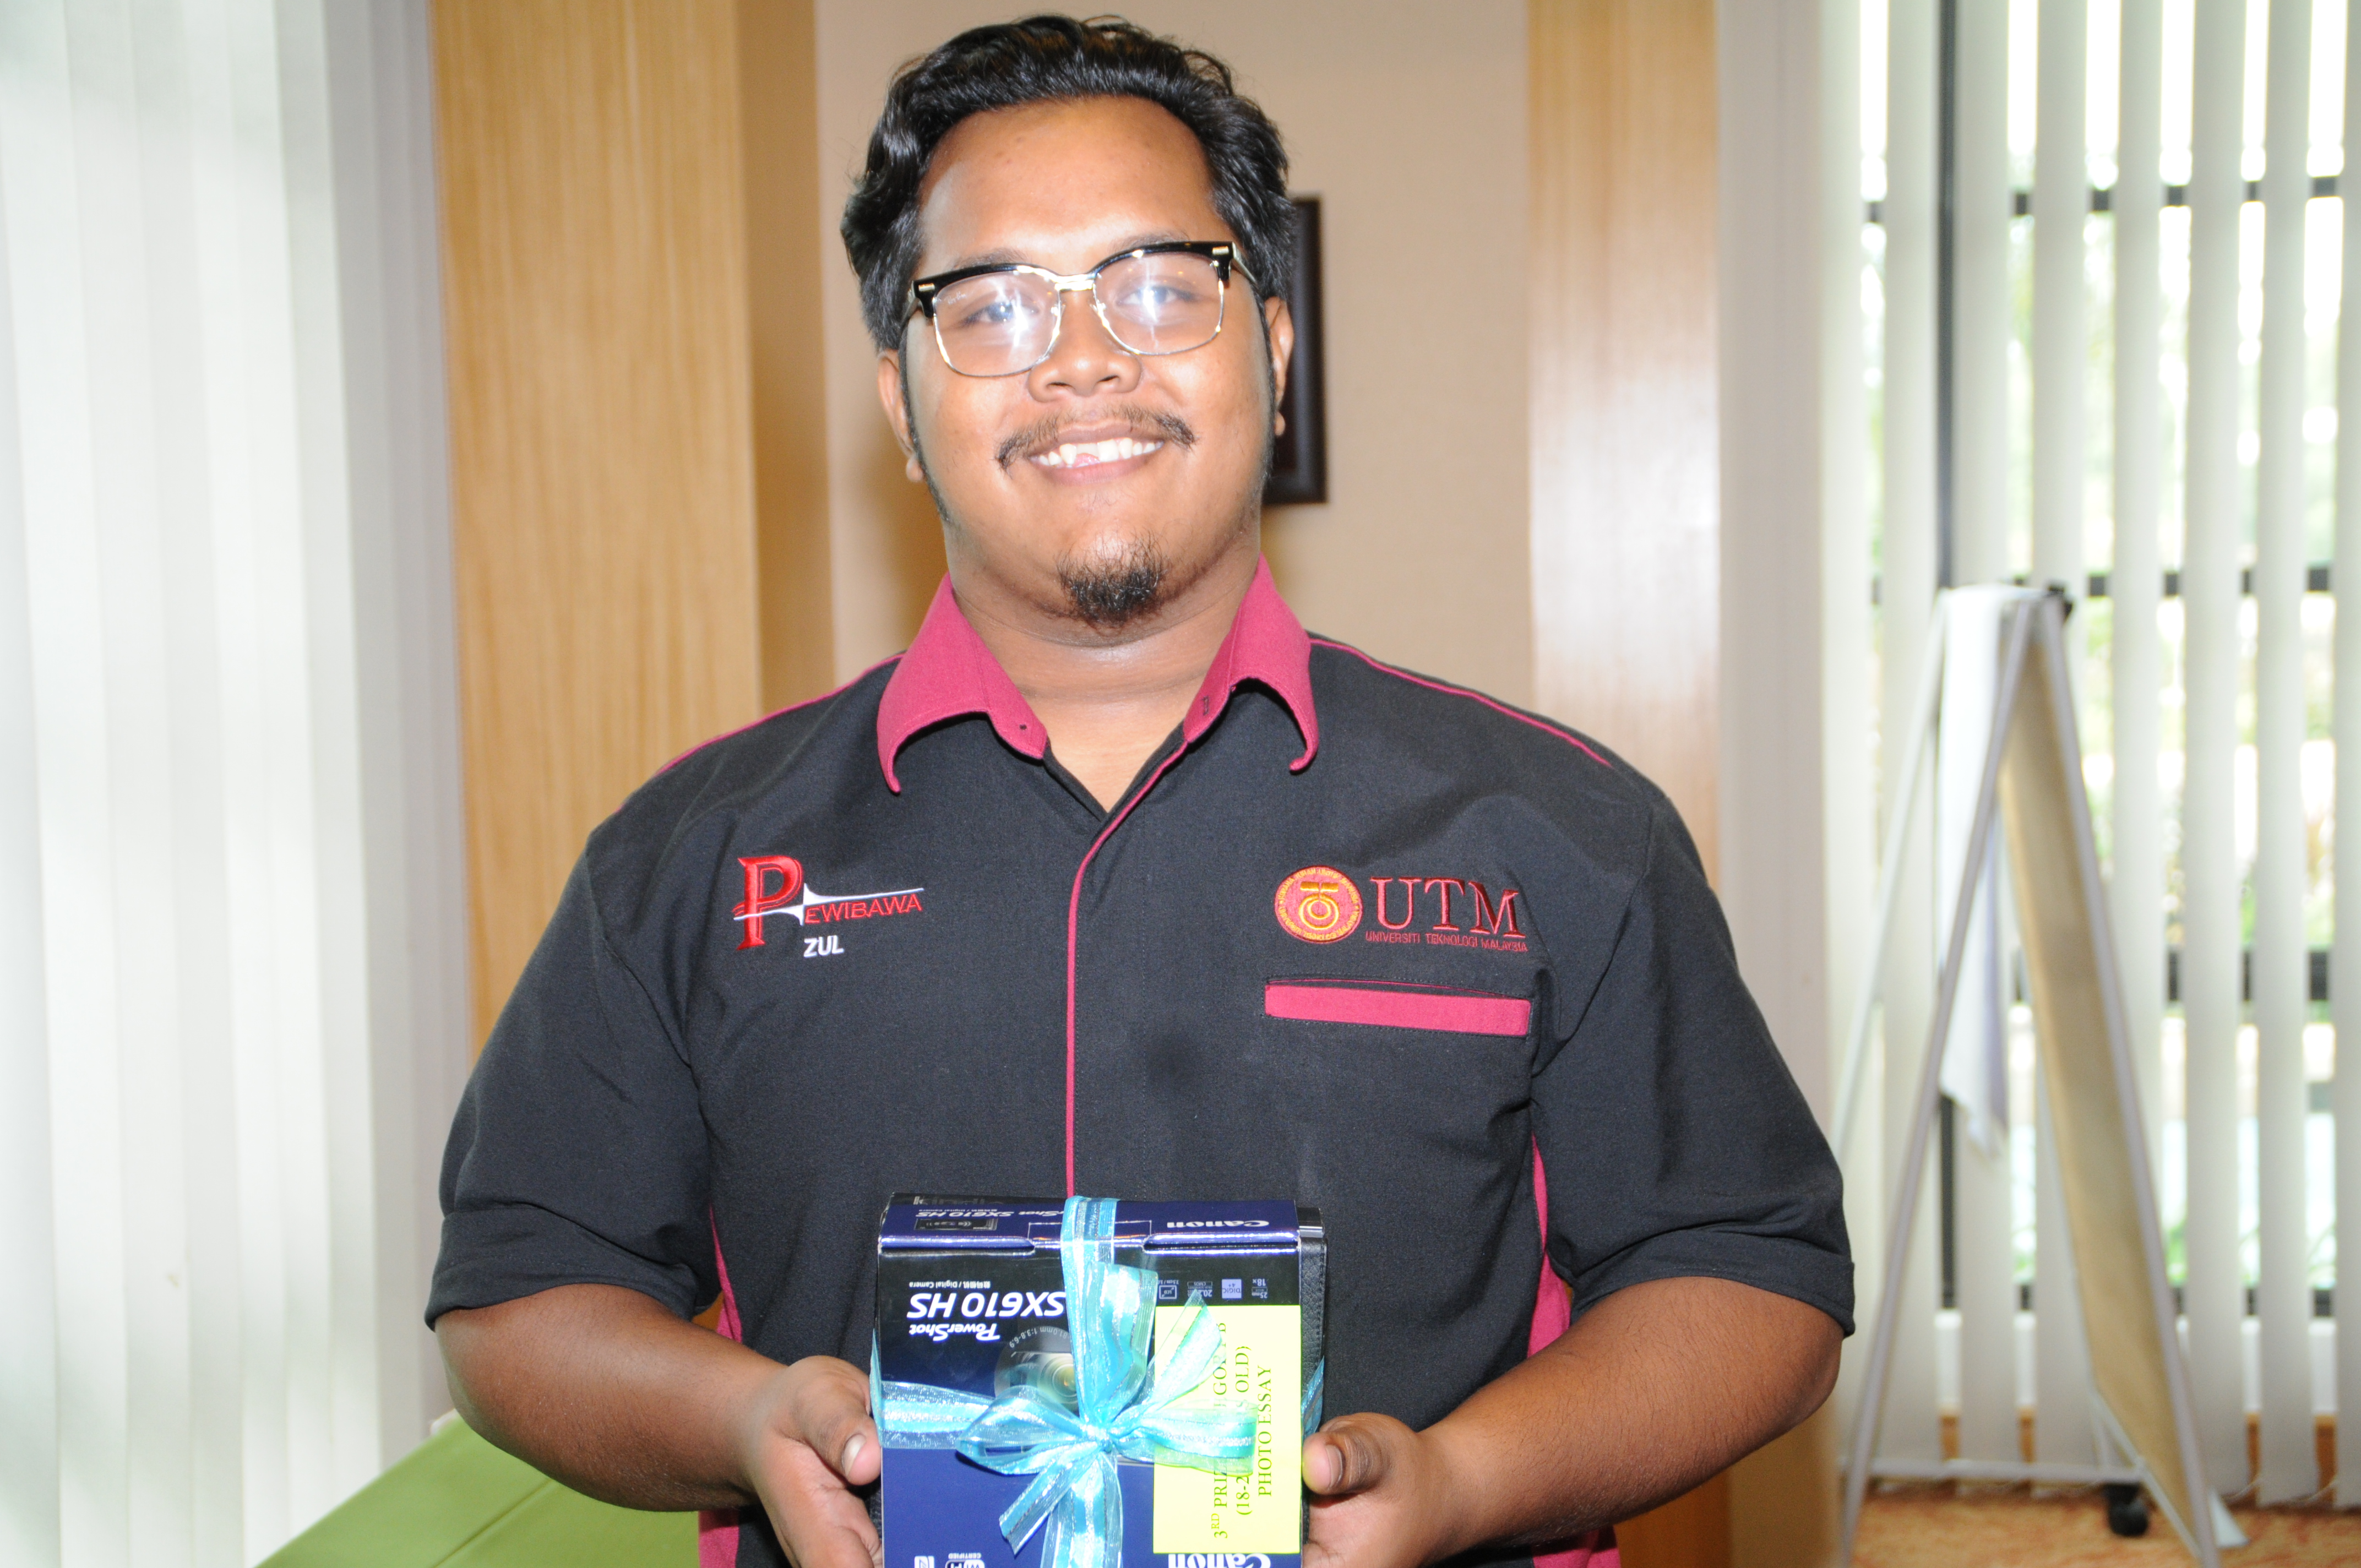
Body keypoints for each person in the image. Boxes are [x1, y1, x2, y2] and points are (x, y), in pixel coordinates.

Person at [428, 17, 1851, 1568]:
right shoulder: (694, 857)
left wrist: (1461, 1485)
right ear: (900, 402)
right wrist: (746, 1421)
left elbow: (1754, 1278)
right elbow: (517, 1300)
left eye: (1159, 284)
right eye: (994, 306)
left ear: (1276, 350)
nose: (1085, 358)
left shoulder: (1555, 830)